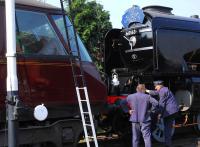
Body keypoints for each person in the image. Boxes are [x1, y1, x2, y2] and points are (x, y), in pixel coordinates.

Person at [146, 80, 179, 147]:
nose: (155, 88)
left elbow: (161, 104)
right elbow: (155, 92)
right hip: (171, 111)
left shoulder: (163, 91)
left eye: (156, 86)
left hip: (169, 112)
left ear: (160, 85)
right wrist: (147, 91)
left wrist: (159, 114)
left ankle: (167, 145)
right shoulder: (163, 89)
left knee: (167, 129)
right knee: (167, 128)